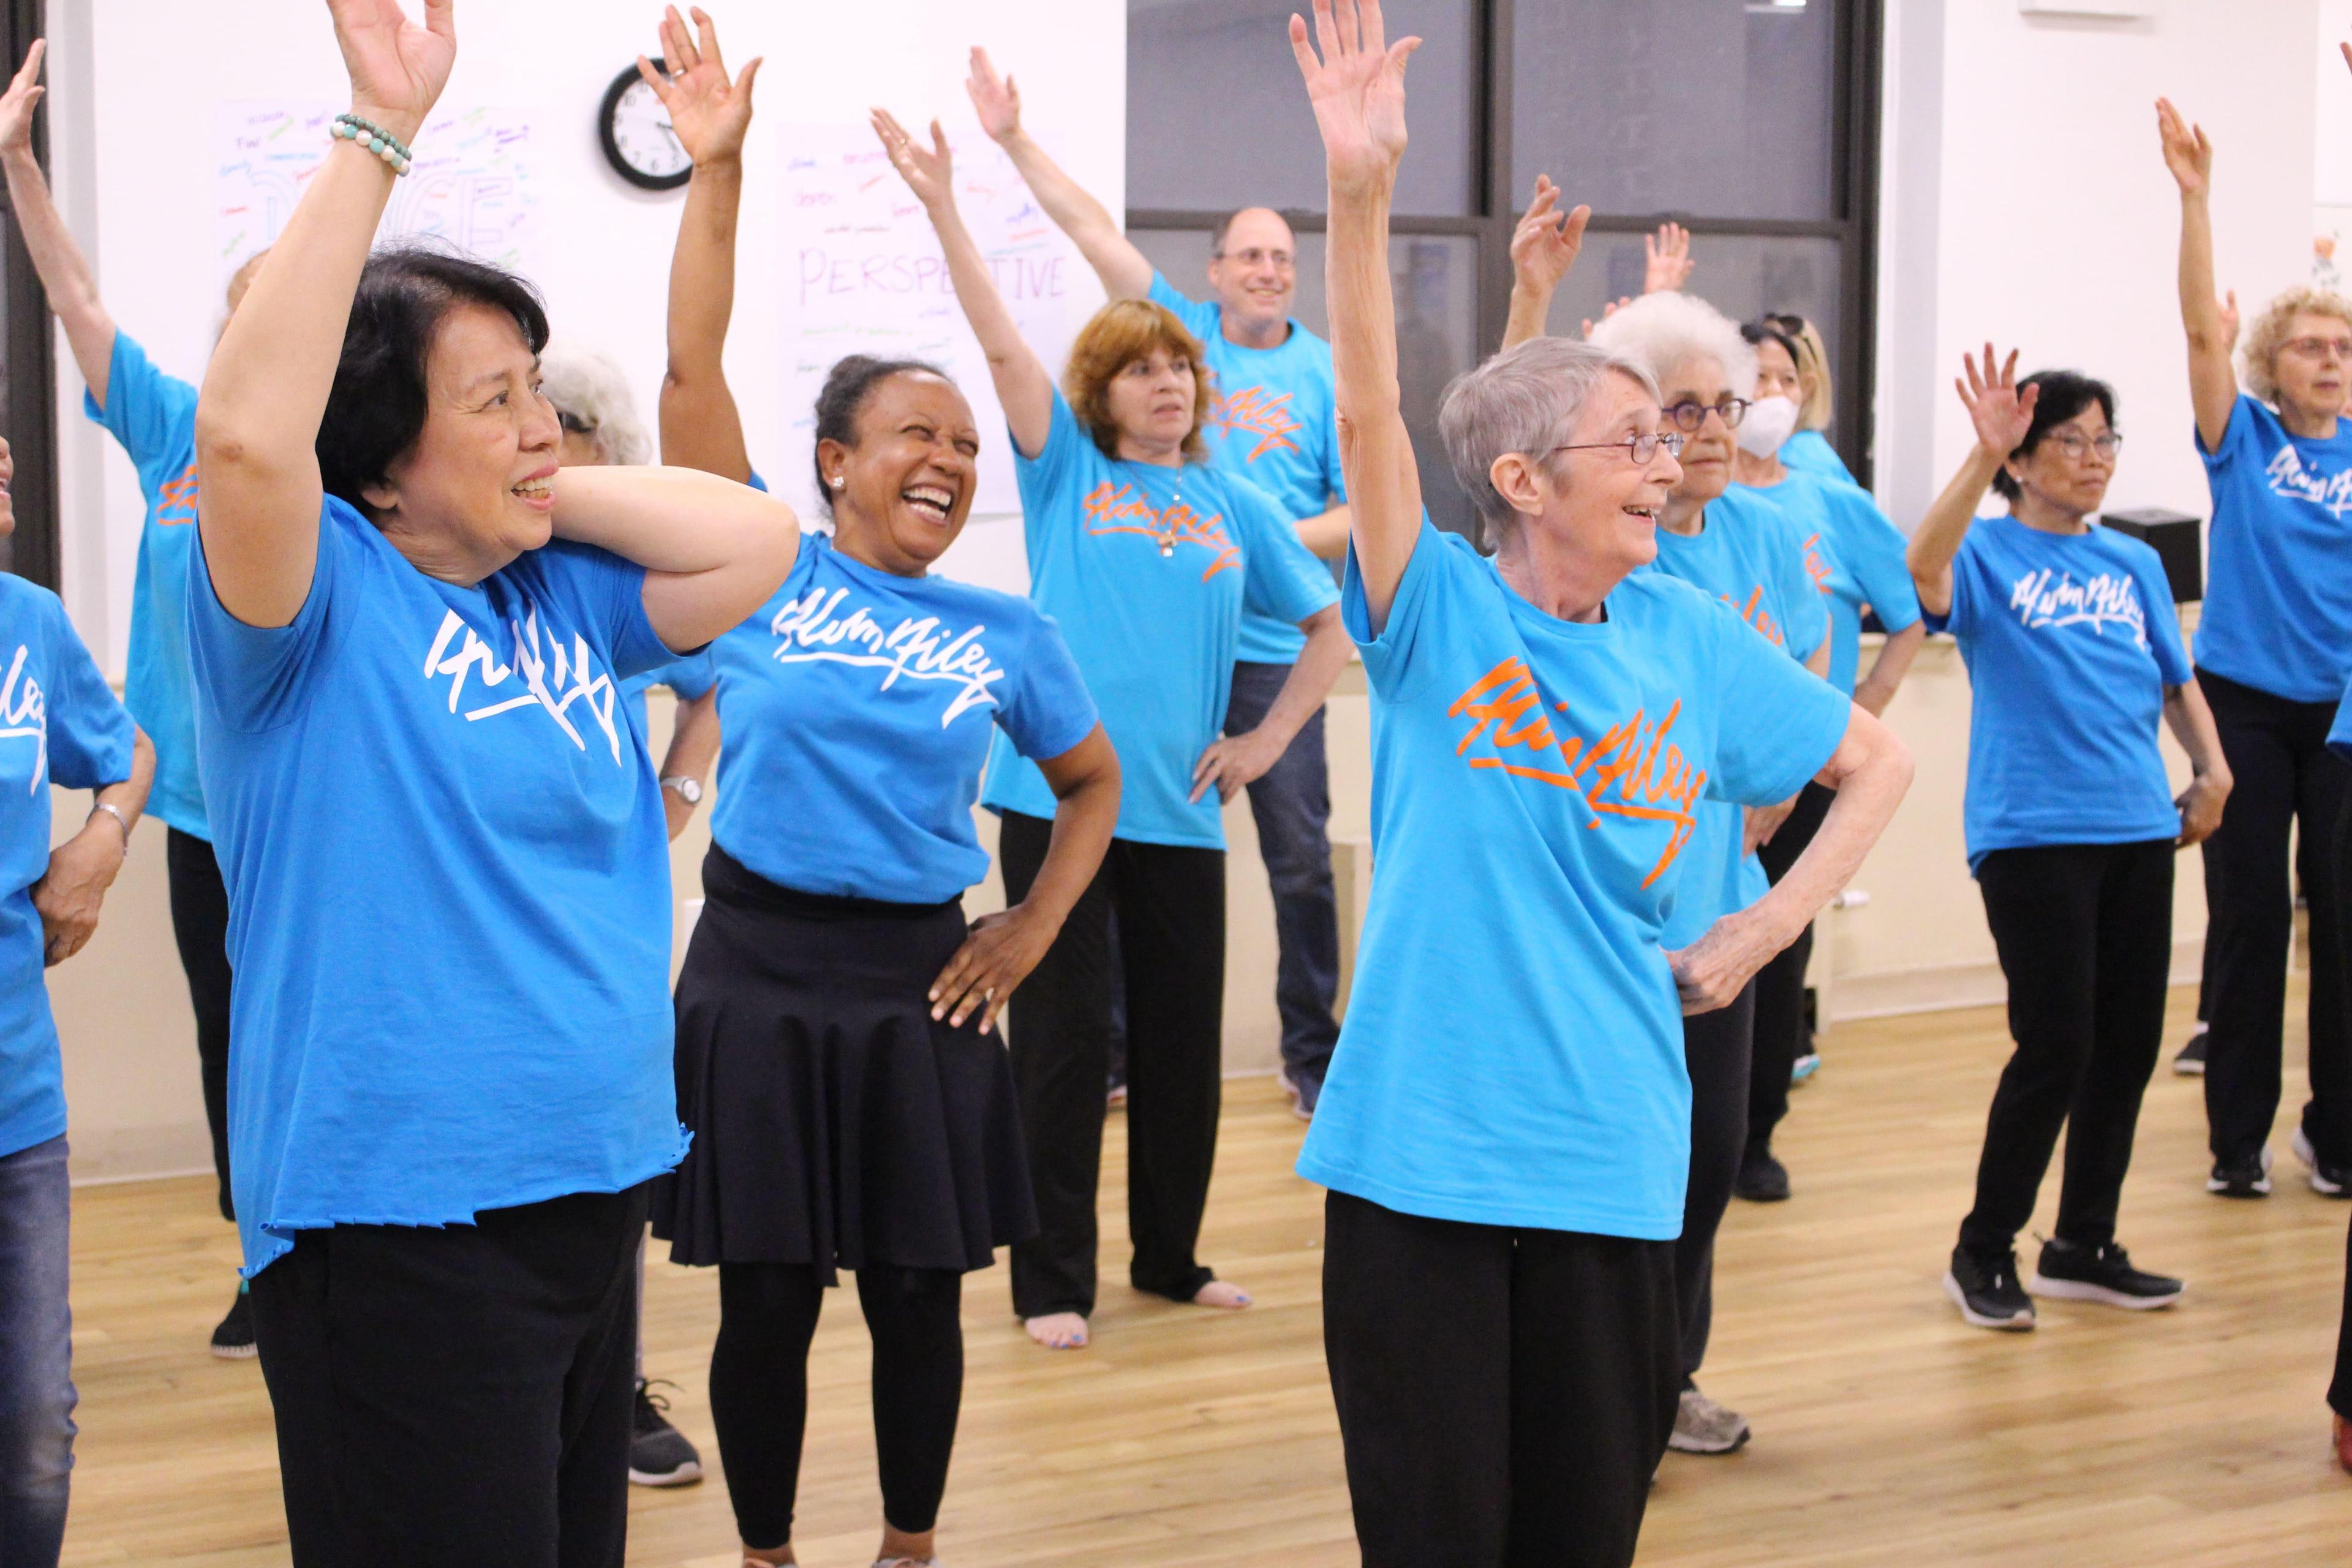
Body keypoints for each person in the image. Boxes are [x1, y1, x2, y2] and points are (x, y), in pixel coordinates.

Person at [1288, 4, 1910, 1562]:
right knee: (1437, 1533)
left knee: (1578, 1531)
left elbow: (1876, 758)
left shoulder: (1688, 634)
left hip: (1609, 1155)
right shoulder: (1437, 611)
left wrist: (1761, 932)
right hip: (1418, 1159)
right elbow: (1370, 415)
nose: (1669, 463)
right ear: (1523, 482)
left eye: (1671, 437)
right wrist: (1359, 196)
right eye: (1631, 441)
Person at [187, 3, 798, 1561]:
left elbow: (755, 539)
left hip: (590, 1186)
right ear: (377, 459)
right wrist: (380, 134)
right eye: (495, 397)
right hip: (401, 1226)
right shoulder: (311, 604)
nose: (542, 426)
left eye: (540, 387)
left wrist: (516, 472)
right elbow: (255, 447)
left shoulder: (560, 598)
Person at [638, 21, 1118, 1567]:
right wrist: (715, 175)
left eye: (968, 445)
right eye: (918, 433)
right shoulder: (761, 565)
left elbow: (1092, 778)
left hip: (927, 975)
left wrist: (1031, 930)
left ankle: (909, 1546)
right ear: (834, 458)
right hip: (759, 970)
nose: (951, 460)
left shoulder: (1008, 630)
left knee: (921, 1291)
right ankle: (769, 1552)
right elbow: (688, 370)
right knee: (766, 1298)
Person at [873, 101, 1348, 1353]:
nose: (1170, 385)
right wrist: (940, 203)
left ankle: (1172, 1254)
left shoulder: (1233, 497)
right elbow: (999, 345)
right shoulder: (1065, 469)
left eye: (1182, 370)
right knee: (1066, 1049)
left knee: (1185, 1047)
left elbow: (1327, 630)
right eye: (1146, 369)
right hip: (1055, 799)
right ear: (1106, 388)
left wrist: (1263, 743)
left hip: (1182, 806)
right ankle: (1051, 1277)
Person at [966, 46, 1351, 1119]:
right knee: (1110, 859)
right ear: (1216, 271)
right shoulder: (1172, 334)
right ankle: (1112, 1061)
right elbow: (1091, 228)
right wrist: (1009, 141)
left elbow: (1366, 512)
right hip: (1166, 642)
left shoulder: (1322, 369)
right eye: (1253, 255)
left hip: (1261, 645)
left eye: (1285, 256)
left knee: (1296, 868)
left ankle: (1308, 1060)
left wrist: (1250, 539)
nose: (1272, 270)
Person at [0, 36, 256, 1357]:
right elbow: (80, 301)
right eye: (248, 315)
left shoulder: (361, 466)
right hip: (202, 807)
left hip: (314, 804)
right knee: (227, 1033)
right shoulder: (180, 430)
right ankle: (265, 1248)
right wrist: (17, 171)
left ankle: (328, 1244)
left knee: (306, 1028)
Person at [1907, 347, 2226, 1330]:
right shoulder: (1989, 557)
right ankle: (1982, 1249)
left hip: (2138, 828)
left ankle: (2084, 1241)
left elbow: (2176, 680)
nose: (2093, 460)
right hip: (2032, 834)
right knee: (2055, 1042)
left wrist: (2213, 769)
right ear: (2021, 457)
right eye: (2069, 442)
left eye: (2105, 441)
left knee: (2125, 1047)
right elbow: (1920, 568)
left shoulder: (2132, 560)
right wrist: (1977, 456)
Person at [1575, 288, 1828, 1457]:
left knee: (1708, 1157)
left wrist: (1777, 775)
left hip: (1725, 911)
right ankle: (1601, 1383)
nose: (1718, 430)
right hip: (1610, 919)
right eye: (1686, 409)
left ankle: (1668, 1377)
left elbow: (1808, 665)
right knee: (1610, 1169)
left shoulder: (1769, 533)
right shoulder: (1595, 551)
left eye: (1729, 406)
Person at [2161, 96, 2352, 1199]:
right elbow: (2198, 331)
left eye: (2342, 347)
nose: (2328, 361)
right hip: (2244, 703)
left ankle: (2334, 1133)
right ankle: (2239, 1140)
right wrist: (2196, 198)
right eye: (2308, 346)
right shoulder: (2246, 441)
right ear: (2271, 362)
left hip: (2343, 713)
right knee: (2249, 922)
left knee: (2345, 926)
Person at [537, 334, 712, 1490]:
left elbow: (716, 683)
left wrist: (678, 794)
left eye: (570, 441)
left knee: (613, 1143)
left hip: (615, 908)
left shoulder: (617, 584)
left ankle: (619, 1378)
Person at [0, 434, 155, 1568]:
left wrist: (98, 848)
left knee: (35, 1438)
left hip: (17, 1099)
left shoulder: (29, 621)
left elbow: (127, 749)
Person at [1728, 314, 1924, 1194]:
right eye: (1750, 382)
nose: (1767, 397)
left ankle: (1756, 1132)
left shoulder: (1828, 499)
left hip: (1803, 763)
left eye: (1782, 380)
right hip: (1695, 768)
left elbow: (1910, 614)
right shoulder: (1692, 500)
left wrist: (1861, 715)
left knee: (1777, 950)